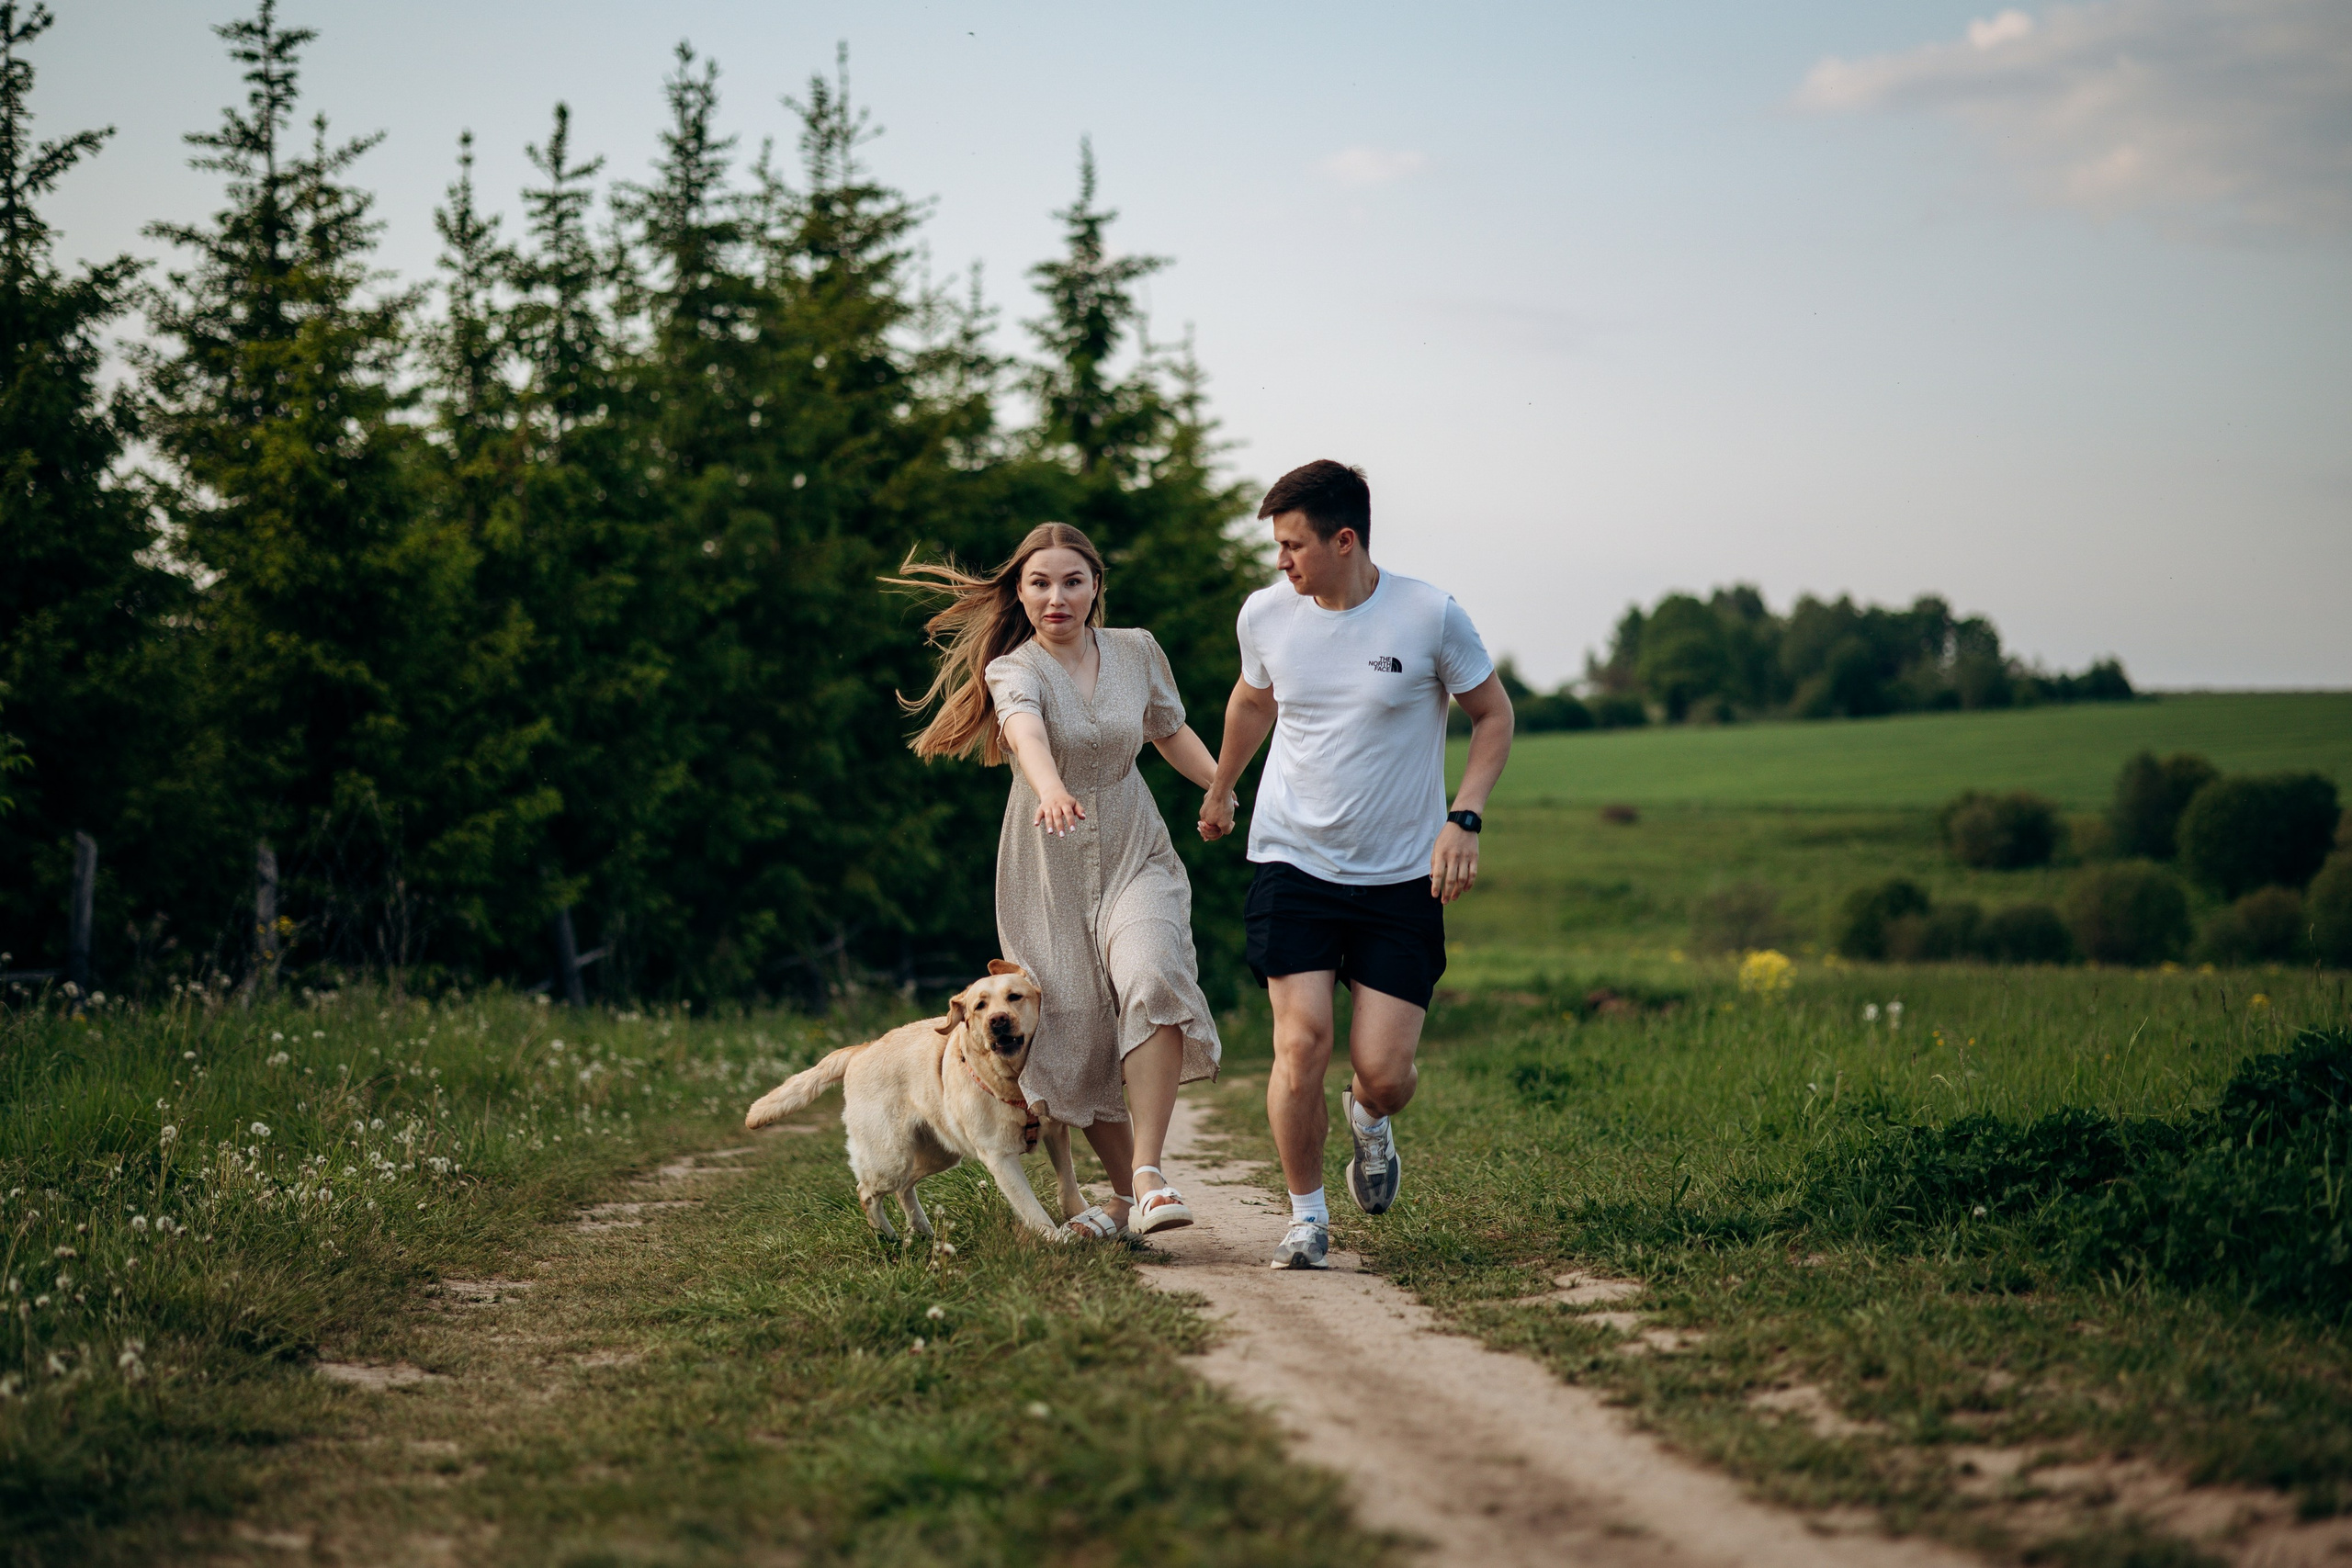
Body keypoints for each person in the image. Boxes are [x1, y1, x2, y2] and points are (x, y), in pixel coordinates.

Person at [1198, 461, 1513, 1269]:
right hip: (1292, 859)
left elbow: (1491, 715)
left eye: (1293, 544)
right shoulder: (1267, 615)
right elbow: (1253, 697)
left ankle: (1369, 1120)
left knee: (1386, 1071)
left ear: (1345, 540)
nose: (1281, 561)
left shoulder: (1429, 615)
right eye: (1276, 545)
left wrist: (1464, 818)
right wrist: (1225, 784)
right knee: (1299, 1043)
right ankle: (1307, 1218)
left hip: (1403, 873)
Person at [894, 523, 1227, 1238]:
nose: (1056, 596)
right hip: (1046, 862)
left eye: (1072, 581)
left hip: (1137, 848)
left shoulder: (1138, 651)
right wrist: (1048, 787)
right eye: (1039, 583)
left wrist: (1219, 786)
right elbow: (1025, 733)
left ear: (1095, 585)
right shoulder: (1014, 669)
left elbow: (1169, 729)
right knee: (1075, 1031)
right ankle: (1119, 1196)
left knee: (1153, 971)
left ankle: (1146, 1175)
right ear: (1020, 591)